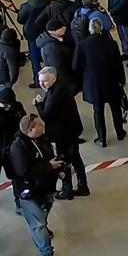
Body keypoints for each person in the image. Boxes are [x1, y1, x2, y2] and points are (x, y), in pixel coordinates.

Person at [8, 113, 64, 256]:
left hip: (46, 187)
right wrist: (49, 167)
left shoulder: (42, 139)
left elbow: (49, 157)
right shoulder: (18, 147)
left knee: (43, 216)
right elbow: (23, 172)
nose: (42, 125)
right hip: (31, 191)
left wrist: (58, 171)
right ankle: (46, 251)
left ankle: (43, 229)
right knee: (38, 224)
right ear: (29, 130)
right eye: (39, 125)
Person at [35, 67, 89, 199]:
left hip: (63, 135)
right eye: (40, 81)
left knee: (63, 161)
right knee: (76, 159)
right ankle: (83, 186)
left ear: (53, 79)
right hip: (71, 130)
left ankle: (67, 190)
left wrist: (38, 104)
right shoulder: (61, 87)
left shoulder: (55, 94)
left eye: (45, 81)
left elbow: (46, 115)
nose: (42, 84)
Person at [73, 18, 126, 147]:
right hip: (111, 81)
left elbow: (75, 66)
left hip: (93, 83)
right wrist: (121, 80)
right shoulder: (111, 43)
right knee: (115, 108)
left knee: (98, 110)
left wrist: (85, 75)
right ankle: (120, 132)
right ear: (101, 28)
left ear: (90, 29)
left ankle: (102, 138)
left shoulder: (82, 44)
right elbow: (118, 64)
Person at [18, 0, 51, 88]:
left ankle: (38, 82)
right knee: (48, 56)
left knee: (35, 60)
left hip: (32, 35)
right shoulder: (48, 2)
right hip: (45, 32)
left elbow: (20, 19)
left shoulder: (27, 5)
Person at [0, 87, 27, 214]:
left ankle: (19, 202)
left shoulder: (17, 107)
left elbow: (23, 122)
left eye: (9, 104)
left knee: (17, 177)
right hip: (1, 148)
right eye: (4, 104)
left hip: (13, 149)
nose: (7, 106)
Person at [36, 20, 75, 90]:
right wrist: (69, 85)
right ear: (54, 31)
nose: (64, 28)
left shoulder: (54, 39)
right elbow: (58, 68)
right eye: (61, 28)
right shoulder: (52, 49)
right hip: (64, 80)